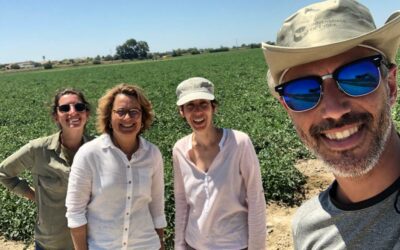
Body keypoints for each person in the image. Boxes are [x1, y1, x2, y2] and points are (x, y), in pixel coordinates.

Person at [262, 0, 400, 249]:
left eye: (357, 77)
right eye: (303, 91)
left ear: (389, 86)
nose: (334, 110)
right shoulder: (308, 231)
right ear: (288, 110)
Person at [65, 84, 166, 250]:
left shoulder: (152, 154)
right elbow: (75, 212)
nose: (128, 118)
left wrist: (160, 244)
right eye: (121, 112)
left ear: (142, 118)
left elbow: (157, 208)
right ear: (109, 117)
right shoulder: (89, 154)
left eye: (134, 112)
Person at [173, 77, 266, 250]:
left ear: (213, 107)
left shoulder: (239, 143)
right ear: (182, 112)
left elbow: (256, 198)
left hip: (235, 244)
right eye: (190, 106)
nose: (198, 112)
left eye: (203, 104)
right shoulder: (179, 150)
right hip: (194, 244)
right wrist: (179, 246)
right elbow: (181, 201)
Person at [0, 88, 91, 249]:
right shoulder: (38, 150)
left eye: (79, 107)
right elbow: (4, 173)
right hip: (51, 243)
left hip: (93, 242)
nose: (73, 112)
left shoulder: (100, 149)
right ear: (56, 116)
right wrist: (34, 196)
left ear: (87, 113)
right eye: (64, 108)